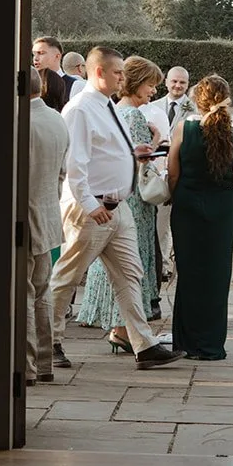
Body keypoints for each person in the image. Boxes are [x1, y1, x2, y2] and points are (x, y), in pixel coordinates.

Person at [49, 46, 185, 371]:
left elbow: (106, 149)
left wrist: (133, 152)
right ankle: (47, 340)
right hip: (93, 209)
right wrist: (88, 204)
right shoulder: (80, 109)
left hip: (118, 208)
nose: (122, 78)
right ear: (99, 72)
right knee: (67, 275)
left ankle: (143, 344)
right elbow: (74, 163)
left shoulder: (106, 105)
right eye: (117, 72)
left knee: (130, 274)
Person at [76, 56, 165, 350]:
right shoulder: (134, 116)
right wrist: (156, 141)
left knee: (117, 268)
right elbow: (139, 163)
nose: (153, 91)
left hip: (115, 197)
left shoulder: (115, 111)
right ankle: (122, 329)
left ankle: (127, 332)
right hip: (133, 202)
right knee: (130, 267)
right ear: (138, 83)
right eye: (151, 85)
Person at [168, 74, 233, 359]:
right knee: (217, 274)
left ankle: (186, 342)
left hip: (188, 206)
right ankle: (211, 344)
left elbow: (173, 173)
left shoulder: (182, 129)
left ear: (197, 100)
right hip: (221, 211)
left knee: (189, 273)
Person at [26, 67, 69, 385]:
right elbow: (60, 174)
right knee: (42, 292)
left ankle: (26, 367)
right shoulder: (57, 119)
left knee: (25, 294)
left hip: (24, 219)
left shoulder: (18, 122)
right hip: (48, 213)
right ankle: (44, 363)